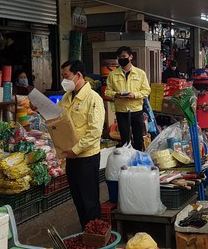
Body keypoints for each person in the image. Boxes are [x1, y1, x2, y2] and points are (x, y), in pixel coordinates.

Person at [59, 60, 105, 229]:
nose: (64, 80)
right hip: (71, 156)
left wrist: (75, 150)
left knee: (89, 200)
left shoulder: (93, 99)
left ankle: (96, 235)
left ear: (78, 75)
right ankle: (85, 231)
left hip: (86, 157)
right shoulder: (66, 97)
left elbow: (94, 132)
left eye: (66, 76)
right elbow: (58, 119)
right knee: (78, 199)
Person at [104, 46, 151, 151]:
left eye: (124, 56)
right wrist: (116, 94)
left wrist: (134, 95)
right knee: (125, 139)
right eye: (119, 57)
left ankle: (137, 159)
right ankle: (126, 159)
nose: (121, 59)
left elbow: (147, 91)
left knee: (138, 139)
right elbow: (107, 91)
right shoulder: (112, 74)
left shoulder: (140, 73)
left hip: (136, 110)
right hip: (121, 111)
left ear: (130, 57)